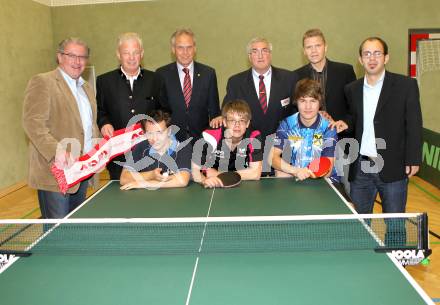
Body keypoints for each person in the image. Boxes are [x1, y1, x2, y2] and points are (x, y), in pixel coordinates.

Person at [22, 37, 100, 218]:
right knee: (56, 232)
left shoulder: (87, 88)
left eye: (82, 57)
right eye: (71, 55)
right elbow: (32, 123)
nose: (77, 61)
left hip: (82, 171)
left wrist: (98, 149)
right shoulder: (43, 82)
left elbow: (89, 126)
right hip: (55, 174)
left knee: (74, 227)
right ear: (59, 57)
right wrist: (56, 150)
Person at [344, 37, 422, 215]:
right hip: (361, 168)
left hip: (393, 167)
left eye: (377, 53)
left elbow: (414, 124)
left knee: (395, 227)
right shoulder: (352, 89)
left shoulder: (406, 85)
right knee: (359, 226)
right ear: (360, 59)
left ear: (386, 58)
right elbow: (353, 120)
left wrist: (413, 159)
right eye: (367, 54)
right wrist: (343, 123)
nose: (372, 58)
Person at [217, 37, 297, 174]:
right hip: (248, 155)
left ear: (270, 54)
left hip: (281, 153)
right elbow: (227, 113)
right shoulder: (235, 82)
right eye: (255, 51)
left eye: (264, 50)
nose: (260, 55)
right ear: (249, 56)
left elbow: (298, 113)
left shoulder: (289, 78)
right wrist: (218, 117)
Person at [97, 32, 164, 180]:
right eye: (126, 53)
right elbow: (100, 111)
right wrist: (104, 123)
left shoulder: (155, 79)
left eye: (136, 53)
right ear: (118, 55)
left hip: (149, 153)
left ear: (142, 54)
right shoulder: (104, 81)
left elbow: (163, 112)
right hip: (118, 157)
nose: (131, 57)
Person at [271, 79, 346, 180]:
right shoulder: (287, 124)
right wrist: (294, 171)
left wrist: (294, 173)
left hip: (325, 183)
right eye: (303, 101)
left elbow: (327, 170)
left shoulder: (328, 128)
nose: (308, 106)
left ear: (320, 103)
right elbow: (272, 158)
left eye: (313, 101)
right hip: (298, 178)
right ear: (296, 102)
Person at [156, 29, 220, 144]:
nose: (185, 52)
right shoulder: (161, 75)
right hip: (172, 142)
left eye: (189, 47)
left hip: (202, 142)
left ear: (195, 49)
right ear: (173, 49)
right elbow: (160, 111)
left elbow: (215, 113)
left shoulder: (208, 74)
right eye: (180, 47)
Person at [192, 100, 263, 188]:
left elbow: (255, 174)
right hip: (215, 181)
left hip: (242, 185)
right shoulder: (210, 136)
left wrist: (219, 174)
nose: (237, 125)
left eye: (242, 120)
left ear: (248, 123)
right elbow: (195, 170)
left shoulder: (253, 136)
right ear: (225, 122)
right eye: (232, 120)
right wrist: (204, 180)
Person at [293, 29, 356, 123]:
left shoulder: (345, 71)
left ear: (325, 47)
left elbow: (355, 106)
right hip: (309, 134)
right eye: (309, 47)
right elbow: (294, 110)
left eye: (318, 46)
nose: (313, 51)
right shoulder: (295, 76)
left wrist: (346, 124)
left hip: (341, 134)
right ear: (304, 51)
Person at [120, 110, 191, 190]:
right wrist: (151, 175)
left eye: (159, 133)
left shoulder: (183, 147)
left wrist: (145, 183)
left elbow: (182, 180)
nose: (154, 139)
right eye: (149, 133)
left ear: (169, 131)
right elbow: (124, 178)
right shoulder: (140, 147)